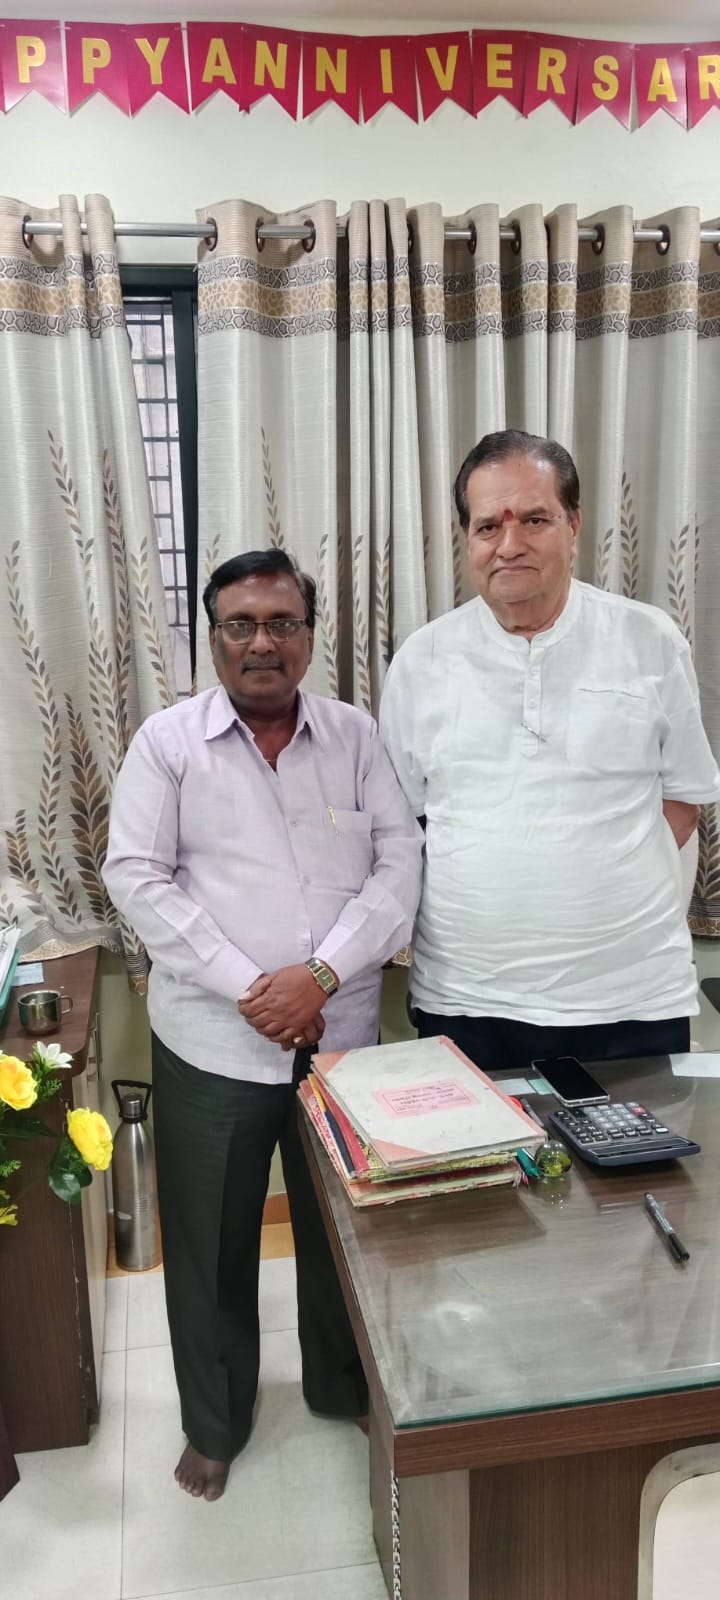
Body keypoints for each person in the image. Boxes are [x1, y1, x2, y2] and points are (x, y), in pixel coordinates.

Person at [103, 548, 422, 1502]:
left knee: (345, 1234)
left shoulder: (356, 736)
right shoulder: (168, 743)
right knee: (210, 1246)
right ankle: (215, 1423)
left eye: (282, 623)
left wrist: (319, 975)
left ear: (310, 637)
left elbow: (400, 861)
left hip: (341, 1038)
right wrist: (255, 987)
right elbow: (136, 876)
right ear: (212, 640)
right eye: (239, 625)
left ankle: (342, 1385)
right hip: (213, 1042)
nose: (261, 643)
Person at [380, 429, 720, 1076]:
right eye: (488, 526)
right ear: (467, 539)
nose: (509, 544)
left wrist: (596, 882)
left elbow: (684, 799)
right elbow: (407, 821)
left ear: (574, 524)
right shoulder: (422, 660)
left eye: (534, 519)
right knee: (476, 1149)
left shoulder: (649, 640)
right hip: (466, 1000)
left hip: (632, 1001)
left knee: (642, 1149)